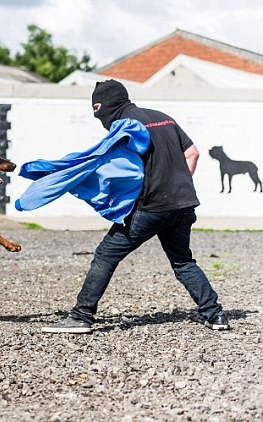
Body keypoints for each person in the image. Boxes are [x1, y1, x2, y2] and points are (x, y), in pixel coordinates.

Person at [46, 79, 229, 334]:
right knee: (183, 261)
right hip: (184, 204)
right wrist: (177, 186)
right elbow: (193, 153)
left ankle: (81, 316)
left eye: (99, 115)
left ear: (104, 107)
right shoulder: (163, 117)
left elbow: (118, 171)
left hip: (150, 207)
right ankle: (215, 315)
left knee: (106, 254)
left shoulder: (124, 126)